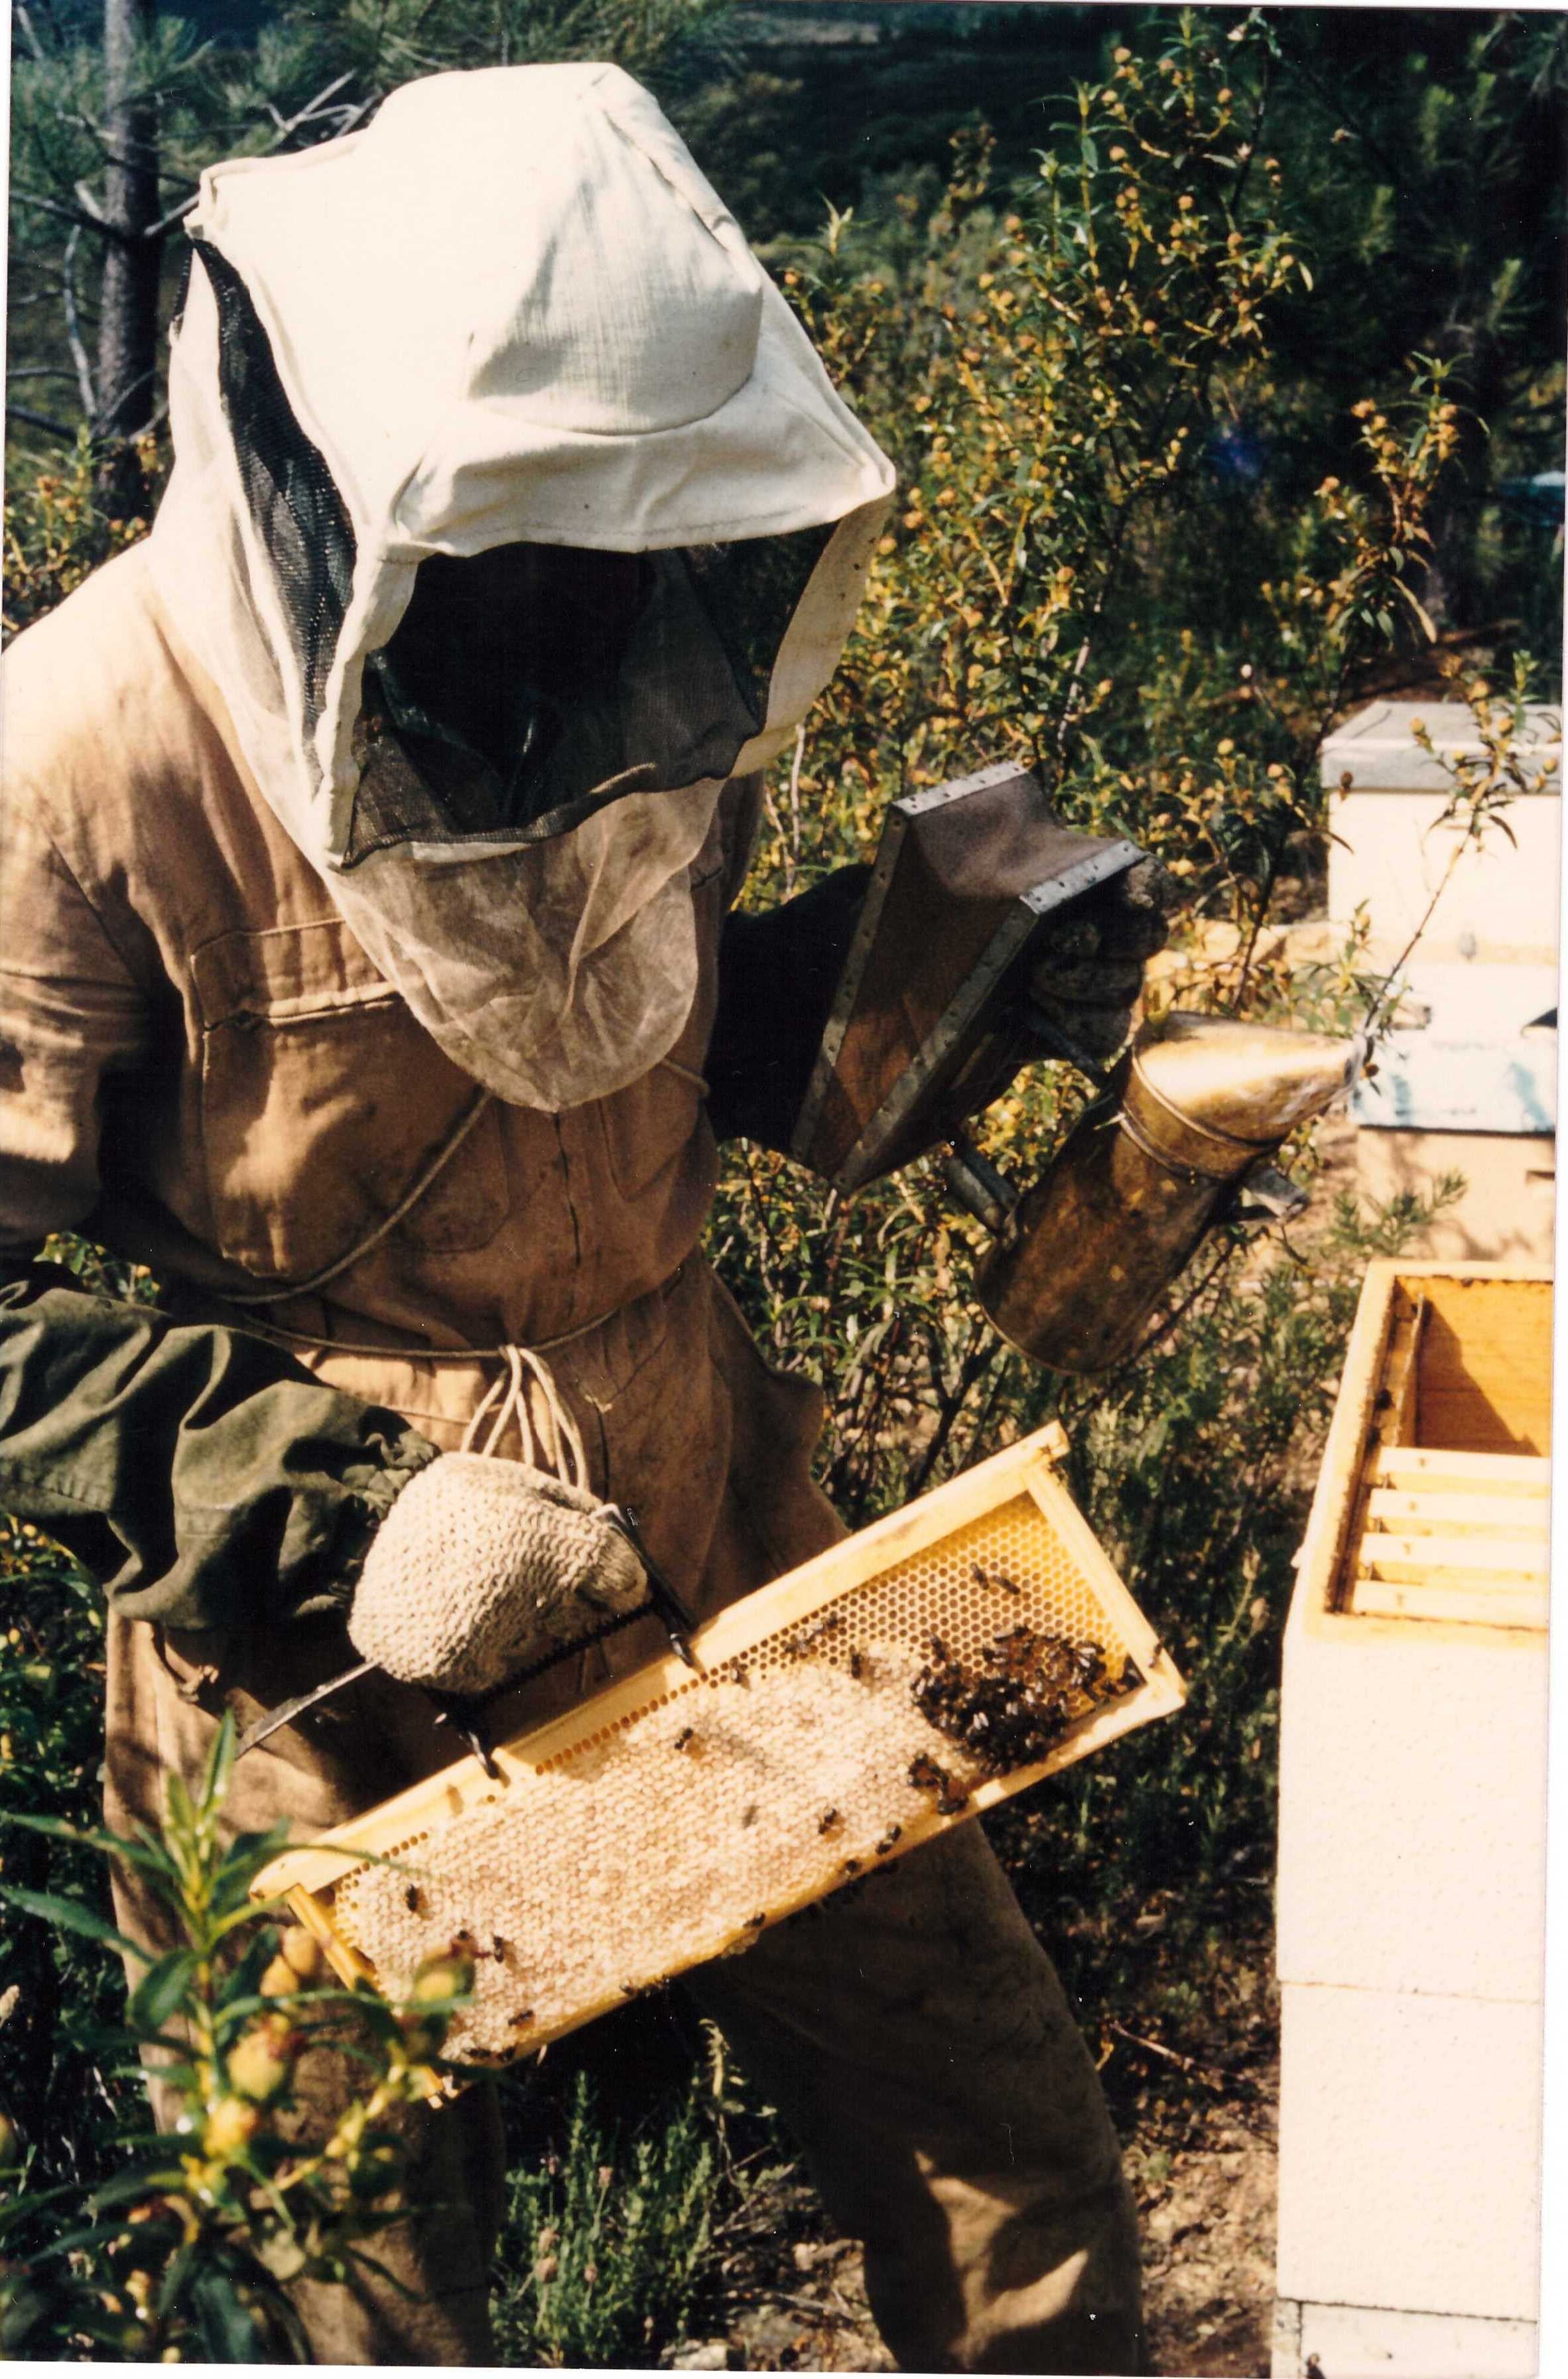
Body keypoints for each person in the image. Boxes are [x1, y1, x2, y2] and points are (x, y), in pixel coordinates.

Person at [0, 63, 1166, 2371]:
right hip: (313, 1649)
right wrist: (314, 1502)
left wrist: (931, 984)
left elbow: (618, 1052)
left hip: (719, 1510)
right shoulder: (73, 757)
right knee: (355, 2281)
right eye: (522, 543)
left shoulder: (627, 638)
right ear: (338, 481)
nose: (584, 606)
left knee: (1001, 2137)